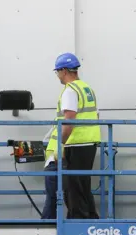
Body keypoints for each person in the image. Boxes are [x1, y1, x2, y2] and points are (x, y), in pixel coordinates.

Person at [41, 52, 101, 219]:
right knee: (83, 184)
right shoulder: (87, 89)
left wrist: (61, 145)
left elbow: (69, 119)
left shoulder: (70, 91)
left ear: (65, 70)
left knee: (73, 188)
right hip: (89, 143)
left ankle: (78, 220)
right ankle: (91, 218)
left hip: (75, 143)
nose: (58, 76)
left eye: (58, 72)